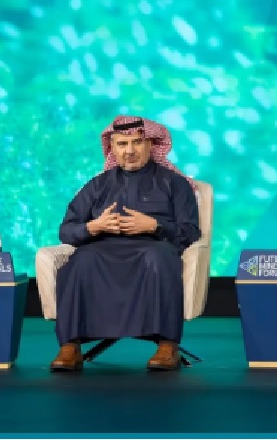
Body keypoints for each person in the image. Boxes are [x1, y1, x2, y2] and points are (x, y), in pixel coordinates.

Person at [49, 115, 201, 372]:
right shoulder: (98, 185)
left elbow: (191, 231)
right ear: (113, 148)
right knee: (81, 260)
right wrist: (94, 227)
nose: (129, 151)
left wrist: (154, 226)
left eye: (137, 142)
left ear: (150, 144)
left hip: (154, 246)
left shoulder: (175, 183)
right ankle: (70, 346)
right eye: (122, 144)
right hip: (103, 248)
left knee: (158, 258)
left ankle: (167, 346)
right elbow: (66, 231)